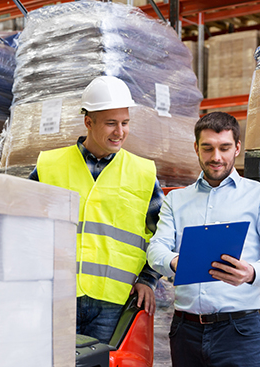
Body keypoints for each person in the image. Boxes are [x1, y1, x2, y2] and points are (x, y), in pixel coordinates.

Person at [147, 111, 260, 367]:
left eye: (224, 148)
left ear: (237, 147)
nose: (216, 157)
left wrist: (252, 272)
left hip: (238, 330)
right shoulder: (177, 199)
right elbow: (156, 248)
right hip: (186, 331)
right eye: (208, 148)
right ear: (196, 148)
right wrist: (175, 261)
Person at [29, 76, 164, 344]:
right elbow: (23, 226)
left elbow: (163, 234)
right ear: (88, 122)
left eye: (125, 123)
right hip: (57, 295)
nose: (120, 132)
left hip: (113, 301)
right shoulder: (49, 166)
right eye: (111, 123)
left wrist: (148, 278)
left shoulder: (143, 173)